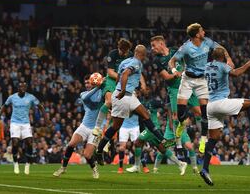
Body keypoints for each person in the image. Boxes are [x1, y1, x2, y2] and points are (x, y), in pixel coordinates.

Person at [199, 48, 250, 186]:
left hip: (210, 106)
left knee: (213, 139)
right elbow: (236, 73)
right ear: (223, 57)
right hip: (221, 103)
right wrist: (248, 64)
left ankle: (205, 168)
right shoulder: (223, 66)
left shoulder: (206, 66)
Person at [95, 45, 174, 165]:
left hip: (127, 95)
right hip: (124, 95)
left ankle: (163, 140)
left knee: (145, 115)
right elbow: (125, 74)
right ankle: (99, 150)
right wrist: (121, 90)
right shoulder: (137, 63)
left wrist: (119, 88)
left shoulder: (125, 61)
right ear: (142, 55)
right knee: (116, 126)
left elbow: (119, 76)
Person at [169, 23, 234, 153]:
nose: (204, 32)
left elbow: (221, 48)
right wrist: (174, 70)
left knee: (205, 113)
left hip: (202, 81)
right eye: (202, 30)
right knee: (181, 114)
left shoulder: (207, 42)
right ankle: (181, 124)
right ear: (197, 34)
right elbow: (172, 60)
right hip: (187, 80)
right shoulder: (186, 47)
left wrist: (229, 59)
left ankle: (203, 140)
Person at [150, 35, 199, 173]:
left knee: (200, 111)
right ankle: (177, 145)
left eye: (154, 45)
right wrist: (176, 74)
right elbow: (166, 77)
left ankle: (204, 137)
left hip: (187, 85)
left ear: (161, 43)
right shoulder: (157, 61)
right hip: (174, 89)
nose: (152, 49)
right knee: (176, 116)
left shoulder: (175, 51)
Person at [53, 74, 104, 179]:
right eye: (85, 83)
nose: (86, 84)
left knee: (87, 155)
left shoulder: (101, 93)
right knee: (71, 144)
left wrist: (104, 82)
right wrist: (99, 86)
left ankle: (94, 168)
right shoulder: (83, 94)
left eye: (88, 82)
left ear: (93, 82)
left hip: (96, 128)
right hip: (84, 126)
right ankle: (63, 168)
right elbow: (86, 97)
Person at [0, 82, 44, 175]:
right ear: (18, 88)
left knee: (29, 143)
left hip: (26, 123)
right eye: (21, 86)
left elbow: (40, 106)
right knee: (15, 143)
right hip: (15, 123)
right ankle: (16, 163)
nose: (23, 88)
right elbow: (4, 106)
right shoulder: (12, 97)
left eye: (25, 86)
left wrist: (46, 119)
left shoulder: (30, 97)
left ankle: (27, 164)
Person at [92, 38, 134, 137]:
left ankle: (108, 136)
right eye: (122, 51)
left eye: (126, 52)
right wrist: (122, 78)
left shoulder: (131, 56)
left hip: (123, 82)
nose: (124, 54)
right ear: (118, 48)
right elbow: (110, 72)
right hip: (112, 80)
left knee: (118, 110)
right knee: (109, 102)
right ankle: (97, 127)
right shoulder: (113, 54)